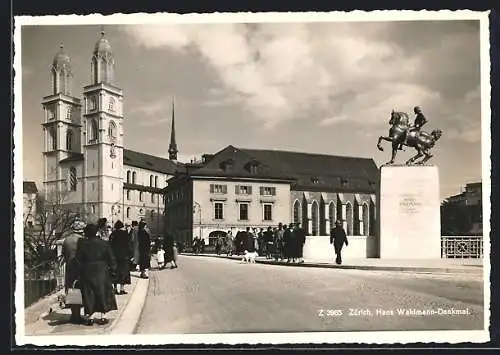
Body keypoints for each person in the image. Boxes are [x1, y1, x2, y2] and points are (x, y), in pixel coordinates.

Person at [75, 223, 118, 326]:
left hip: (87, 270)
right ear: (96, 232)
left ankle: (90, 317)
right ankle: (103, 316)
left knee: (89, 293)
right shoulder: (104, 243)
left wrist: (78, 273)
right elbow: (111, 258)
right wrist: (113, 270)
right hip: (101, 270)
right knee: (102, 292)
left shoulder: (82, 244)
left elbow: (78, 260)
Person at [61, 220, 86, 324]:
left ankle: (73, 314)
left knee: (71, 289)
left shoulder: (66, 240)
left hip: (69, 267)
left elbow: (63, 254)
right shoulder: (82, 240)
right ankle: (78, 315)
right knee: (79, 290)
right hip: (80, 267)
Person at [109, 220, 132, 295]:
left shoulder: (113, 234)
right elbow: (128, 244)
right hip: (124, 256)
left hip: (115, 255)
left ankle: (115, 288)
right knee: (123, 272)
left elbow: (110, 244)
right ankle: (122, 289)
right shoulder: (125, 234)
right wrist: (130, 254)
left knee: (115, 272)